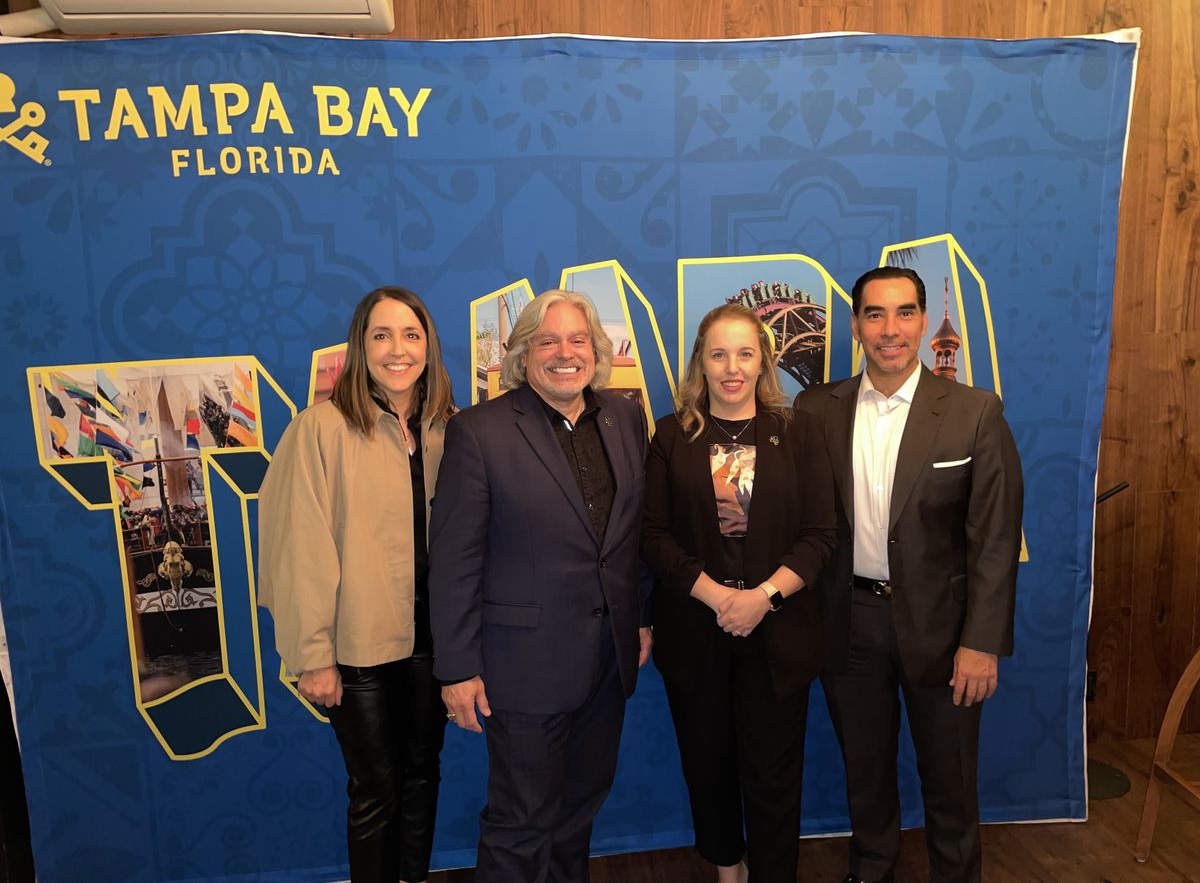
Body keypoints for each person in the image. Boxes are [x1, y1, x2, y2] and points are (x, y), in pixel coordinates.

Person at [794, 266, 1024, 883]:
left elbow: (995, 540)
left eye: (903, 313)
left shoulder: (975, 412)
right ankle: (872, 868)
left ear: (923, 322)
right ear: (855, 326)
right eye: (875, 314)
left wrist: (981, 643)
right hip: (849, 623)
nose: (889, 330)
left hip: (945, 630)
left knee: (949, 777)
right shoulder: (816, 409)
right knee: (864, 771)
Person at [429, 289, 653, 883]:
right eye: (547, 341)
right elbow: (453, 560)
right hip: (522, 670)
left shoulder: (624, 417)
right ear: (523, 353)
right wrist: (456, 669)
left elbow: (635, 534)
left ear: (596, 351)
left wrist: (643, 618)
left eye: (578, 340)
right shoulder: (480, 432)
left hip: (607, 661)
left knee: (579, 809)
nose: (564, 353)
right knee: (521, 821)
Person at [258, 286, 455, 883]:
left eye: (411, 335)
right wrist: (312, 655)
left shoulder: (451, 429)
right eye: (382, 335)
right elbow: (298, 552)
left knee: (423, 776)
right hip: (355, 648)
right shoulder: (319, 430)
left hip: (432, 642)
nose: (398, 349)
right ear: (359, 347)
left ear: (429, 347)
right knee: (375, 788)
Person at [641, 303, 837, 883]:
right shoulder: (671, 436)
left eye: (744, 353)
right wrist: (718, 597)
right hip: (697, 632)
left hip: (777, 634)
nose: (731, 367)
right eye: (718, 353)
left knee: (775, 774)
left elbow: (820, 536)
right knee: (709, 765)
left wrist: (762, 599)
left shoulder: (799, 432)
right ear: (700, 361)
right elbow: (654, 535)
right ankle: (728, 869)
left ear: (763, 361)